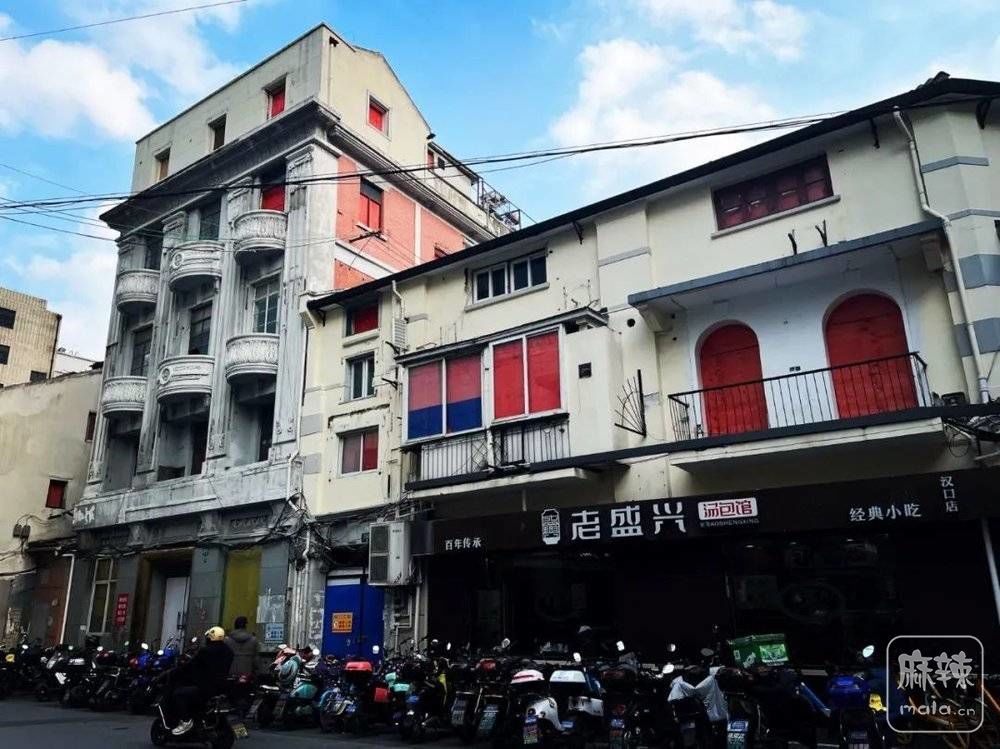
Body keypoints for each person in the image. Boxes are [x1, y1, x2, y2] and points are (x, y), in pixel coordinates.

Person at [169, 626, 234, 736]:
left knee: (178, 694)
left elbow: (190, 666)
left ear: (210, 638)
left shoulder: (205, 651)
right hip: (221, 687)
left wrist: (176, 671)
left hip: (205, 688)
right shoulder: (229, 651)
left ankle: (186, 721)